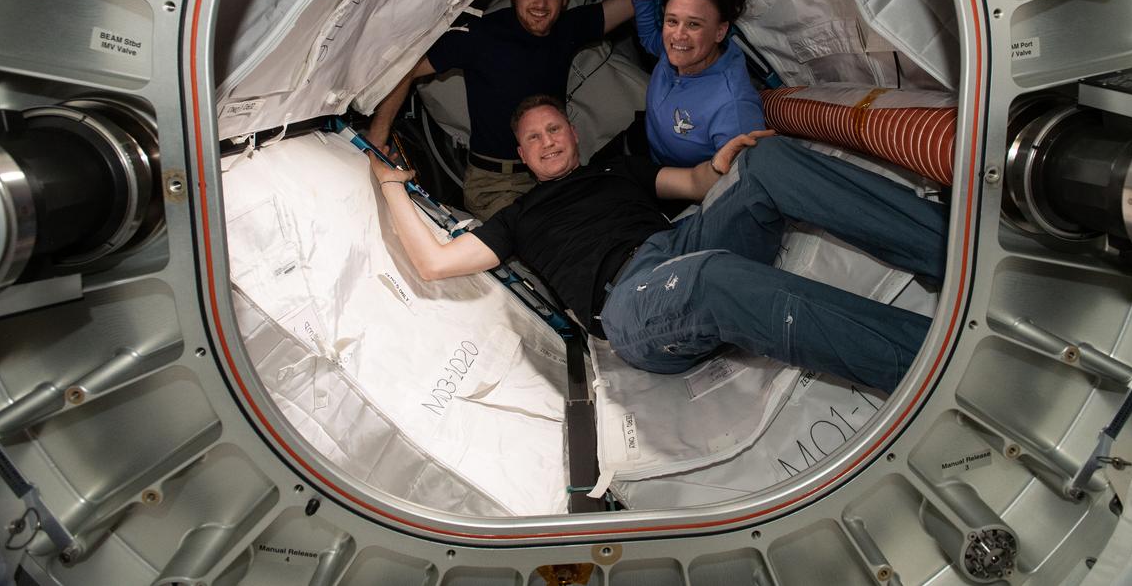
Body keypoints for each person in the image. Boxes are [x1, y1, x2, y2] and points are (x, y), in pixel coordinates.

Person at [370, 95, 947, 394]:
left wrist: (721, 162)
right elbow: (434, 261)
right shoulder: (518, 217)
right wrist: (390, 184)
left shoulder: (617, 170)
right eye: (532, 139)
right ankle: (927, 362)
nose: (546, 143)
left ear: (572, 132)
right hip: (633, 303)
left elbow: (696, 185)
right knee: (713, 277)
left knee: (765, 160)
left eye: (553, 130)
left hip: (680, 243)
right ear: (521, 156)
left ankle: (953, 252)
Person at [367, 0, 649, 219]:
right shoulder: (479, 36)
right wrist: (378, 138)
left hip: (553, 171)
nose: (541, 4)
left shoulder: (568, 28)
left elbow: (628, 0)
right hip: (496, 184)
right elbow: (406, 70)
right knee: (540, 238)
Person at [632, 0, 766, 167]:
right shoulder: (677, 51)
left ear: (720, 32)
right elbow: (649, 39)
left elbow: (740, 181)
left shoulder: (733, 106)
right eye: (672, 21)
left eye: (694, 24)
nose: (678, 35)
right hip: (645, 153)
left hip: (679, 190)